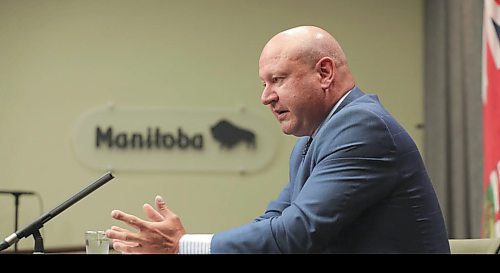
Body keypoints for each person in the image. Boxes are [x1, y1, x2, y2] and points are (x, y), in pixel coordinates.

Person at [105, 26, 450, 253]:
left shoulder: (361, 127)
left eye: (278, 79)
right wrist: (186, 244)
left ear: (325, 72)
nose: (266, 97)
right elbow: (272, 223)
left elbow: (295, 234)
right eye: (263, 83)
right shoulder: (311, 141)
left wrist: (184, 245)